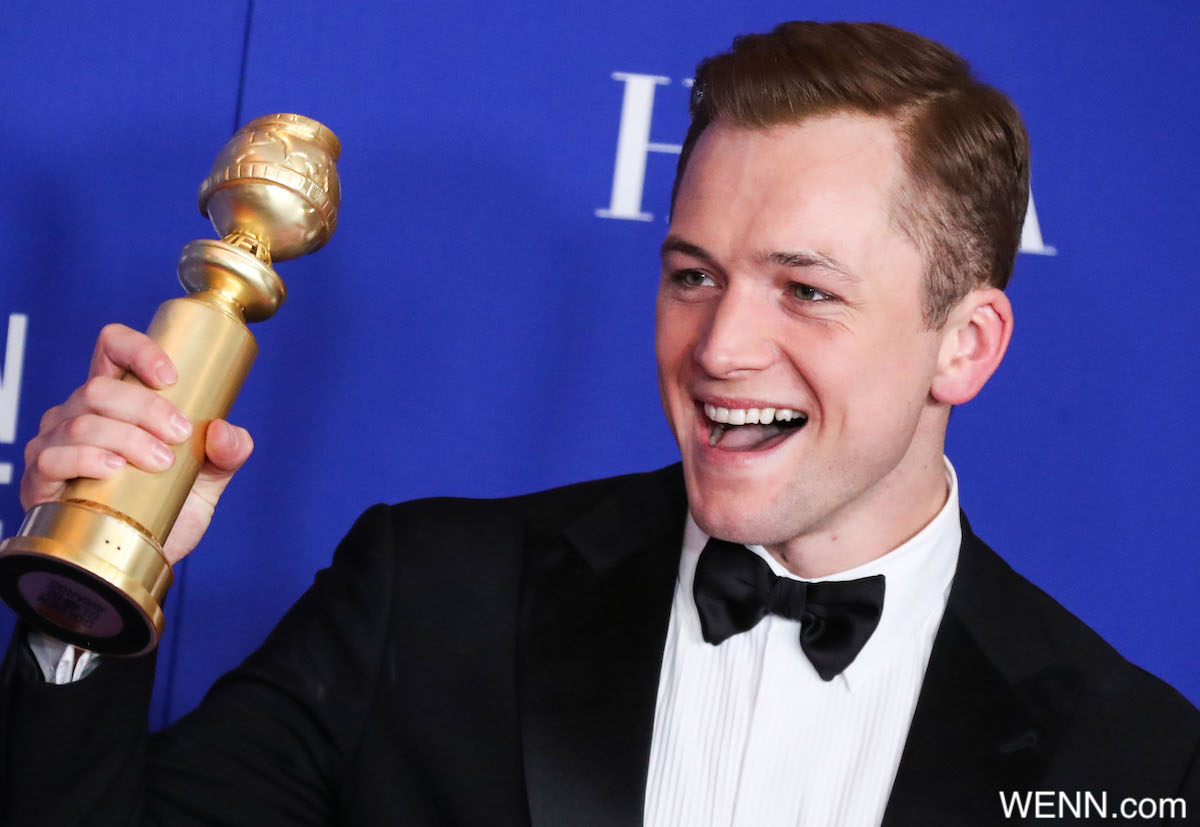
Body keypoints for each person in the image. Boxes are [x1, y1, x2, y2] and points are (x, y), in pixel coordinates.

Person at [2, 20, 1197, 827]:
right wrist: (90, 595)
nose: (720, 346)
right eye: (693, 274)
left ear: (967, 344)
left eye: (808, 289)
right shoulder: (431, 593)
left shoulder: (1136, 761)